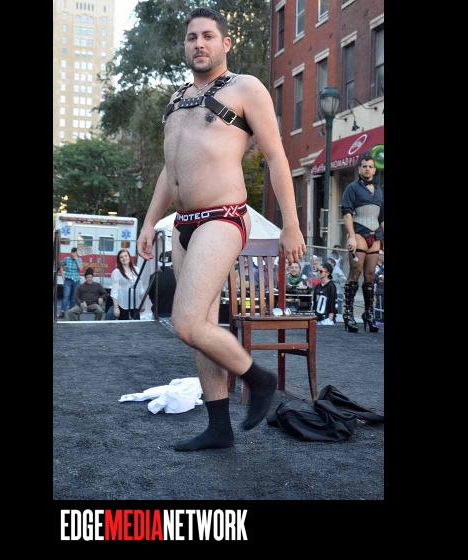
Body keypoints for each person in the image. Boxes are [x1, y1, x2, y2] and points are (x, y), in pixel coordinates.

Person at [136, 7, 305, 452]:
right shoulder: (176, 99)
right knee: (203, 328)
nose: (199, 44)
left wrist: (291, 224)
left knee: (186, 321)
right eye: (192, 37)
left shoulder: (245, 87)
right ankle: (218, 428)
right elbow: (169, 170)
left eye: (208, 36)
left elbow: (276, 157)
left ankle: (258, 378)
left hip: (223, 216)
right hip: (184, 223)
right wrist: (150, 221)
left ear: (225, 43)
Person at [341, 153, 384, 333]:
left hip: (376, 236)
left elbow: (382, 218)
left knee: (370, 275)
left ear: (374, 169)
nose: (367, 169)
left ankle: (369, 314)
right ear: (359, 169)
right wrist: (351, 236)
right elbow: (347, 213)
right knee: (355, 271)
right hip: (359, 232)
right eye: (364, 166)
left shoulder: (380, 190)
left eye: (370, 166)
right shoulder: (352, 188)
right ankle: (348, 313)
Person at [111, 249, 145, 320]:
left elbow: (140, 288)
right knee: (124, 325)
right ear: (119, 260)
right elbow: (114, 291)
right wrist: (116, 307)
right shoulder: (116, 272)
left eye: (126, 256)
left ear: (129, 257)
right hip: (123, 305)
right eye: (121, 257)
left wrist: (142, 303)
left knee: (136, 325)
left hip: (135, 304)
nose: (124, 258)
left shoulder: (136, 269)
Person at [148, 251, 177, 318]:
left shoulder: (154, 275)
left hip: (158, 311)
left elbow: (151, 294)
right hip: (173, 311)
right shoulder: (177, 275)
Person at [59, 247, 83, 318]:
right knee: (66, 296)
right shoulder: (67, 259)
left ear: (77, 253)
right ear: (71, 252)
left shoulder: (79, 259)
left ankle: (71, 312)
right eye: (72, 252)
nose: (73, 254)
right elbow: (61, 266)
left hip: (76, 281)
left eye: (75, 253)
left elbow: (80, 269)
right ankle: (62, 312)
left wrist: (76, 260)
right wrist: (62, 276)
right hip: (68, 280)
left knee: (74, 297)